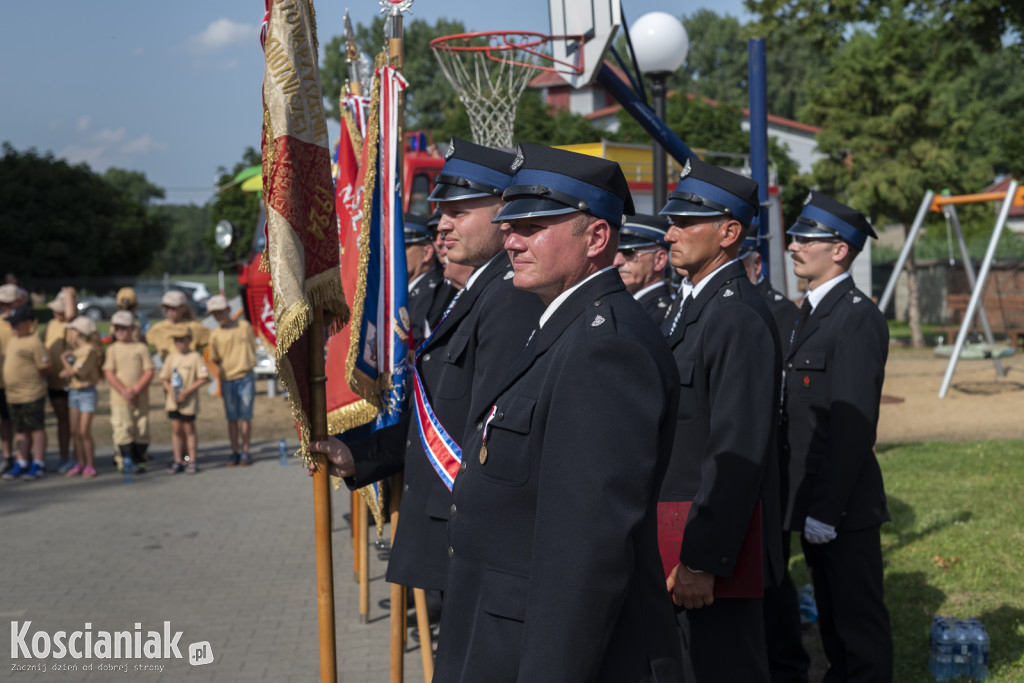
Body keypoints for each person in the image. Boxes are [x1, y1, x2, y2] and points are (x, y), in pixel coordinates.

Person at [427, 142, 684, 682]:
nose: (511, 239)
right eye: (509, 225)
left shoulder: (603, 348)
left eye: (533, 226)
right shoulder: (562, 325)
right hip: (500, 630)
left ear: (595, 238)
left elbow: (585, 551)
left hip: (543, 652)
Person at [312, 137, 543, 631]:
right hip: (455, 535)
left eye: (459, 211)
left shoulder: (509, 299)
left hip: (475, 542)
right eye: (441, 211)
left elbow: (487, 441)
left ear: (505, 211)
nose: (441, 224)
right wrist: (362, 454)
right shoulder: (481, 292)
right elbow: (445, 413)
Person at [658, 157, 783, 682]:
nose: (670, 234)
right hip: (678, 534)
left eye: (687, 223)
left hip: (710, 551)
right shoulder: (694, 305)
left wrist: (703, 559)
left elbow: (736, 451)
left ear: (729, 232)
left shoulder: (735, 314)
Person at [783, 191, 893, 682]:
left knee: (858, 629)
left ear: (840, 249)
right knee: (832, 624)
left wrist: (827, 510)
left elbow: (852, 426)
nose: (792, 245)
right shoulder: (811, 311)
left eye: (806, 238)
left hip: (842, 508)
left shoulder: (855, 316)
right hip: (815, 500)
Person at [739, 240, 811, 683]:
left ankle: (785, 664)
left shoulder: (781, 313)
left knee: (772, 576)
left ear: (756, 263)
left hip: (771, 464)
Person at [206, 295, 257, 467]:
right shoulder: (215, 335)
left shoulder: (244, 327)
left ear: (228, 310)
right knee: (232, 417)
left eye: (221, 312)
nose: (219, 316)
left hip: (246, 376)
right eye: (215, 314)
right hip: (228, 379)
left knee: (246, 416)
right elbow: (215, 357)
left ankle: (246, 450)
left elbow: (252, 345)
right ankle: (235, 451)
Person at [1, 304, 50, 481]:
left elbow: (44, 366)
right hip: (13, 396)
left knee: (36, 429)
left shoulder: (34, 342)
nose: (12, 326)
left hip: (31, 394)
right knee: (20, 429)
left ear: (28, 323)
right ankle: (21, 461)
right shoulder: (13, 340)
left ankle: (38, 462)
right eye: (11, 323)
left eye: (16, 323)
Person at [103, 310, 155, 473]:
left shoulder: (141, 348)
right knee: (122, 428)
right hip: (120, 398)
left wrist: (136, 388)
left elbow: (149, 370)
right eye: (117, 328)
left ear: (132, 328)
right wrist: (123, 390)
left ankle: (140, 459)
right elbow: (109, 372)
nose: (120, 331)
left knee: (141, 427)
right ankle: (123, 459)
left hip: (140, 397)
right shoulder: (112, 349)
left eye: (124, 328)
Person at [160, 325, 209, 474]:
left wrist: (186, 392)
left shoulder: (194, 357)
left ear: (189, 340)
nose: (180, 343)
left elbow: (203, 378)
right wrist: (172, 393)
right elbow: (164, 378)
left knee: (189, 429)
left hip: (188, 401)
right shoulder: (171, 357)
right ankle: (178, 459)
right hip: (173, 401)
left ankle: (192, 459)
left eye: (182, 340)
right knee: (176, 429)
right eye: (177, 340)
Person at [61, 316, 104, 478]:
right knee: (74, 431)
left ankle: (90, 464)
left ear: (78, 332)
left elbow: (76, 371)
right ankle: (79, 462)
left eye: (72, 330)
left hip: (86, 393)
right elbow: (68, 373)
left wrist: (64, 359)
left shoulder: (89, 351)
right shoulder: (78, 352)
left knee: (84, 431)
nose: (70, 334)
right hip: (74, 392)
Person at [613, 213, 675, 321]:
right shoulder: (623, 306)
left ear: (659, 260)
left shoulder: (664, 315)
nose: (617, 262)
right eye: (613, 253)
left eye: (629, 252)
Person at [44, 287, 78, 472]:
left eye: (60, 309)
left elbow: (71, 315)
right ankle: (64, 456)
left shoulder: (75, 324)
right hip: (55, 382)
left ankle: (78, 458)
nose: (56, 312)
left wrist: (69, 294)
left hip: (72, 384)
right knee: (61, 421)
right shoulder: (50, 325)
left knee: (74, 424)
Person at [403, 212, 447, 350]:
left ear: (427, 253)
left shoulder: (434, 291)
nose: (395, 253)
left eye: (403, 247)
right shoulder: (409, 289)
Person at [147, 290, 209, 362]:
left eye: (173, 308)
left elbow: (214, 340)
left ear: (183, 308)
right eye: (167, 308)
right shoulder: (157, 329)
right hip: (168, 369)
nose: (170, 311)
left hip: (189, 368)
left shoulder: (195, 327)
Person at [0, 283, 23, 473]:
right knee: (5, 421)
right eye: (2, 303)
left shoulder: (24, 325)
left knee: (22, 422)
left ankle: (24, 456)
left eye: (8, 303)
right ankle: (7, 456)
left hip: (20, 384)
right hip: (2, 383)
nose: (4, 307)